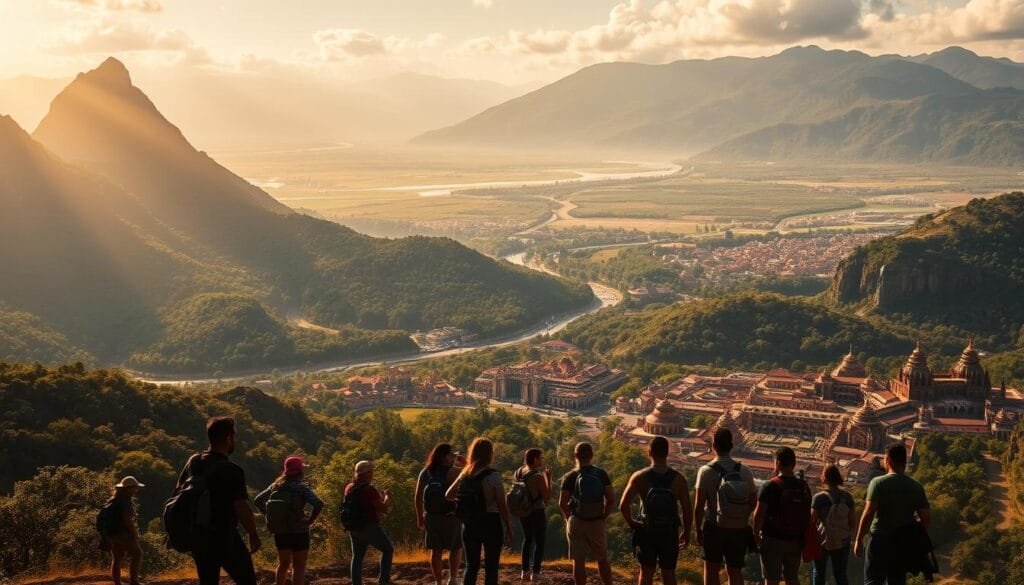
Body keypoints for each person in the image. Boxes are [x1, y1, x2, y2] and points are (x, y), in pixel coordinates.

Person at [174, 417, 260, 585]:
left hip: (198, 535)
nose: (235, 440)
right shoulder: (232, 470)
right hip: (224, 536)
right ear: (228, 438)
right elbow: (241, 506)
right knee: (247, 580)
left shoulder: (194, 461)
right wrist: (253, 534)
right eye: (234, 436)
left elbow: (179, 489)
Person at [619, 436, 693, 585]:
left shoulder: (639, 477)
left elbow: (623, 505)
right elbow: (687, 510)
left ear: (649, 452)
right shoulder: (679, 479)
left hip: (646, 530)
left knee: (646, 573)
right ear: (667, 453)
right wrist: (686, 531)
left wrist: (632, 523)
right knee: (668, 573)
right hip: (669, 531)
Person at [854, 443, 932, 585]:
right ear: (904, 462)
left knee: (872, 581)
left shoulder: (877, 483)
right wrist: (914, 538)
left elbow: (868, 513)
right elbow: (926, 519)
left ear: (888, 459)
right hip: (902, 542)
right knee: (896, 581)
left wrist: (859, 539)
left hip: (879, 539)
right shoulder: (916, 486)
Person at [445, 438, 513, 585]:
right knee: (491, 567)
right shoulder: (493, 476)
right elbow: (502, 504)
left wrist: (462, 502)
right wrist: (508, 525)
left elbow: (448, 495)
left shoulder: (465, 474)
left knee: (471, 566)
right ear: (490, 454)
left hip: (469, 524)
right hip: (491, 523)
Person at [693, 428, 756, 585]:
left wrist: (698, 530)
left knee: (711, 568)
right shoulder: (745, 471)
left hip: (714, 526)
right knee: (734, 570)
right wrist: (740, 516)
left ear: (713, 445)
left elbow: (699, 505)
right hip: (738, 527)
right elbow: (753, 501)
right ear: (732, 445)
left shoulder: (705, 471)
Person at [254, 456, 324, 585]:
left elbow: (257, 500)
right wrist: (310, 521)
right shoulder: (301, 487)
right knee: (299, 566)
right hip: (299, 531)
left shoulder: (275, 486)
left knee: (283, 565)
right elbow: (318, 503)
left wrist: (271, 516)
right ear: (299, 471)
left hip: (280, 531)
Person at [753, 447, 812, 585]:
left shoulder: (770, 486)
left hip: (772, 538)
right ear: (794, 463)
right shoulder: (803, 486)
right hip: (796, 539)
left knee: (772, 579)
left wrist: (756, 535)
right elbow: (807, 513)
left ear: (777, 463)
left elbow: (759, 514)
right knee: (792, 578)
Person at [558, 442, 614, 585]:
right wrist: (603, 516)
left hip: (577, 520)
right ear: (592, 455)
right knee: (602, 559)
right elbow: (611, 498)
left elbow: (562, 503)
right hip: (596, 521)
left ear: (575, 455)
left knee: (578, 561)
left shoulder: (570, 476)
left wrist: (568, 517)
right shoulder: (601, 474)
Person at [416, 443, 466, 585]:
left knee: (435, 551)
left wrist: (420, 517)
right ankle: (453, 579)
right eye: (451, 454)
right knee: (456, 548)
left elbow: (418, 497)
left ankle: (438, 582)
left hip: (431, 517)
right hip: (451, 516)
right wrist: (464, 462)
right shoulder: (454, 471)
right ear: (445, 456)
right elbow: (472, 475)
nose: (453, 457)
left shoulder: (425, 472)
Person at [346, 460, 395, 585]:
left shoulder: (349, 487)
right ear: (367, 473)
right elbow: (383, 508)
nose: (372, 474)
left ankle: (356, 583)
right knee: (388, 549)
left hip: (353, 527)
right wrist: (387, 496)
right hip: (369, 527)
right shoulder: (369, 489)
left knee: (357, 557)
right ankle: (384, 581)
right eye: (371, 471)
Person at [811, 464, 856, 585]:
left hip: (822, 541)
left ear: (824, 477)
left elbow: (812, 521)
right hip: (843, 541)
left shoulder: (819, 498)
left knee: (819, 572)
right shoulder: (848, 497)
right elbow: (852, 521)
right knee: (840, 573)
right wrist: (849, 537)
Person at [514, 448, 552, 581]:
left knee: (527, 539)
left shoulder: (519, 472)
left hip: (523, 510)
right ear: (535, 459)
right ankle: (536, 573)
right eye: (541, 458)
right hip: (536, 511)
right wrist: (548, 477)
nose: (542, 460)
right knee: (540, 541)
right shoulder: (537, 476)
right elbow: (546, 496)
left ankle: (524, 571)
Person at [102, 476, 145, 585]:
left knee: (117, 558)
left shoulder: (113, 500)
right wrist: (134, 532)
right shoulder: (126, 501)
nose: (136, 490)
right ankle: (134, 582)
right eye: (134, 488)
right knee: (137, 554)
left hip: (112, 534)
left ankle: (117, 583)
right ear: (128, 488)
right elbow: (127, 520)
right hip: (124, 534)